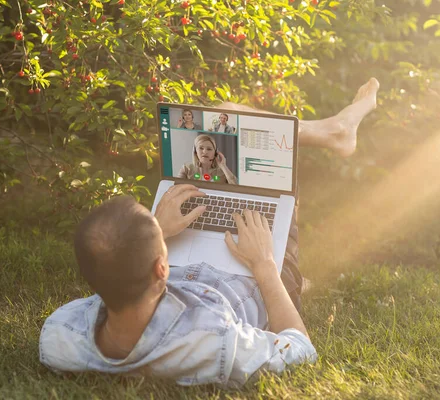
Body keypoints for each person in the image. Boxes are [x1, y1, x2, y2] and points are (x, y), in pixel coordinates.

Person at [39, 77, 380, 387]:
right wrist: (263, 264)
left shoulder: (60, 337)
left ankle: (333, 130)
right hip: (249, 275)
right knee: (234, 121)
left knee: (225, 113)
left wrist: (157, 229)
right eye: (158, 236)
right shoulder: (214, 342)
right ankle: (336, 130)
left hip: (184, 272)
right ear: (161, 268)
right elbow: (301, 352)